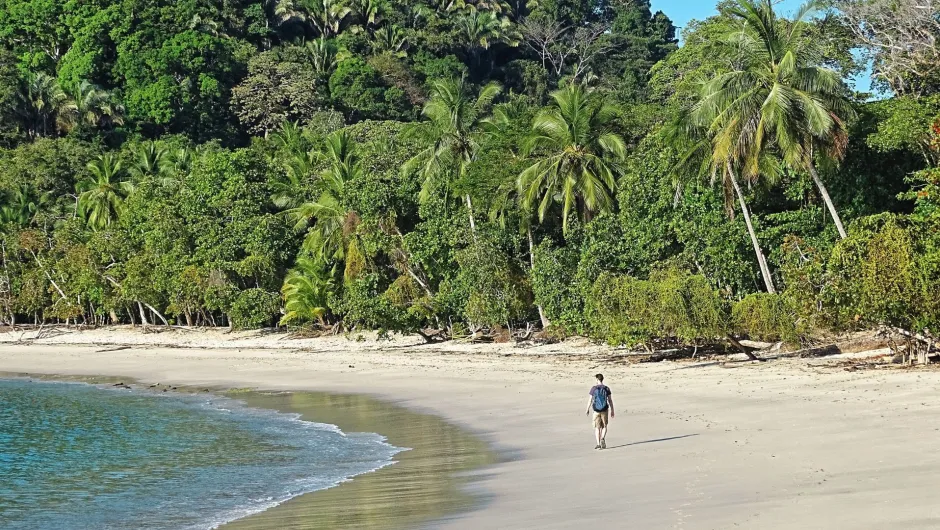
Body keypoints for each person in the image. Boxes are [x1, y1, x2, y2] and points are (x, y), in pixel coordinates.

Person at [586, 373, 614, 450]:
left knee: (597, 428)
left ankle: (598, 444)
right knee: (604, 426)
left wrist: (587, 409)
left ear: (597, 379)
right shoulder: (606, 388)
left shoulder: (594, 388)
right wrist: (612, 410)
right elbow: (610, 400)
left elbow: (590, 400)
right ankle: (602, 438)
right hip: (604, 409)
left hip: (596, 410)